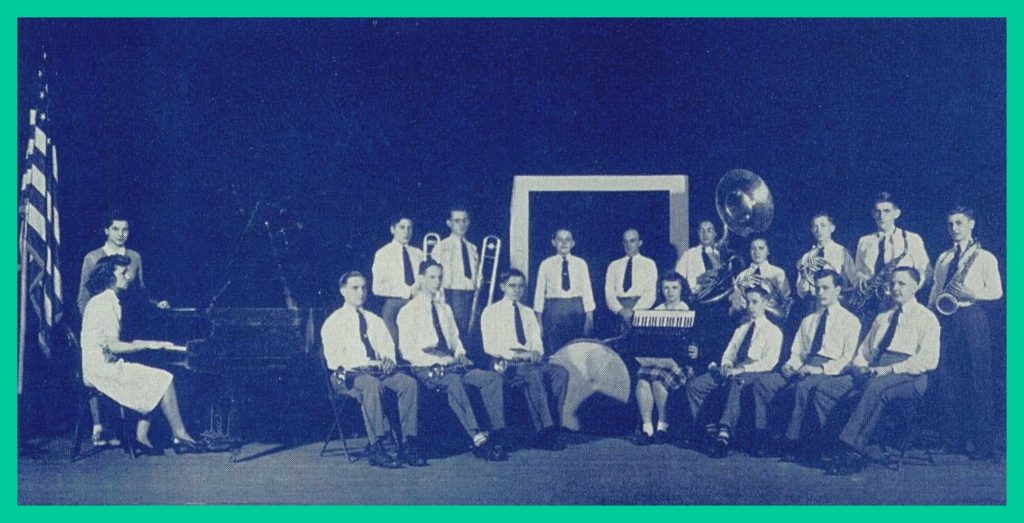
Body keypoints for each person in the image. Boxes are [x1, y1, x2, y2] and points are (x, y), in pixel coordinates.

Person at [822, 267, 940, 475]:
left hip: (911, 375)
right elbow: (864, 351)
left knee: (877, 388)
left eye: (902, 284)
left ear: (915, 287)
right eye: (892, 283)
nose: (895, 288)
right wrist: (860, 365)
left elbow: (928, 360)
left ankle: (851, 451)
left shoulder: (927, 318)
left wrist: (891, 369)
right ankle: (827, 444)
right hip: (877, 369)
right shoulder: (882, 318)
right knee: (828, 388)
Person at [79, 255, 200, 456]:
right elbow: (113, 346)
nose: (128, 277)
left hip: (98, 366)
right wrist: (147, 345)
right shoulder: (106, 303)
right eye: (123, 273)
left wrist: (147, 345)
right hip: (101, 370)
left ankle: (141, 437)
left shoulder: (100, 300)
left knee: (152, 377)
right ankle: (180, 434)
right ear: (110, 277)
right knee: (165, 379)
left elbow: (107, 344)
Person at [397, 259, 507, 461]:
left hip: (452, 364)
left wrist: (459, 354)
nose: (437, 282)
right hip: (427, 368)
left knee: (491, 379)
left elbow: (455, 340)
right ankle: (477, 438)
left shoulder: (444, 309)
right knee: (454, 382)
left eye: (440, 277)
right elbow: (407, 352)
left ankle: (496, 434)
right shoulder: (408, 311)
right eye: (432, 277)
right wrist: (438, 360)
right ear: (421, 279)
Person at [77, 213, 172, 448]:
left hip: (128, 323)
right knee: (118, 369)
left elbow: (140, 290)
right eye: (116, 229)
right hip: (105, 330)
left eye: (125, 229)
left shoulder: (134, 257)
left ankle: (136, 432)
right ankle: (100, 425)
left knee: (144, 368)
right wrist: (96, 336)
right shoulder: (93, 258)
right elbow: (84, 297)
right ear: (106, 230)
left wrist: (156, 304)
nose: (121, 234)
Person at [321, 271, 425, 468]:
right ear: (343, 291)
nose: (360, 292)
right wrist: (360, 367)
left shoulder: (375, 320)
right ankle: (377, 445)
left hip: (376, 371)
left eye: (363, 288)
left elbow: (387, 348)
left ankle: (408, 444)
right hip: (347, 375)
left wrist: (388, 360)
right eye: (354, 288)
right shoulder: (333, 322)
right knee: (372, 385)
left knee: (408, 383)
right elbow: (334, 361)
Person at [754, 269, 861, 461]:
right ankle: (764, 437)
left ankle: (792, 441)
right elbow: (798, 353)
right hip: (804, 367)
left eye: (826, 288)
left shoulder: (850, 321)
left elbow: (847, 359)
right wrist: (790, 366)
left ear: (838, 290)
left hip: (831, 370)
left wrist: (819, 369)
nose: (820, 293)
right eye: (817, 288)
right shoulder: (808, 321)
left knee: (802, 387)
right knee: (765, 383)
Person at [927, 207, 1003, 460]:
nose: (954, 228)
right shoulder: (944, 257)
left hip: (972, 317)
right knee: (948, 379)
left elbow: (996, 292)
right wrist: (930, 310)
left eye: (959, 223)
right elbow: (937, 287)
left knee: (978, 381)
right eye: (950, 224)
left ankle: (982, 445)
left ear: (971, 224)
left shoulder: (984, 257)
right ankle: (953, 441)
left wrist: (972, 294)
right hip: (946, 318)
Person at [686, 285, 783, 458]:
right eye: (748, 302)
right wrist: (726, 364)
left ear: (765, 303)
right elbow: (730, 352)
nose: (750, 307)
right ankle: (708, 431)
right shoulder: (742, 328)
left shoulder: (773, 331)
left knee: (736, 382)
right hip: (733, 369)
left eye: (755, 302)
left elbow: (769, 362)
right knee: (695, 386)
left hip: (753, 372)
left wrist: (742, 369)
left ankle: (724, 435)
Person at [480, 269, 569, 450]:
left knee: (561, 373)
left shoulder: (528, 312)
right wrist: (517, 355)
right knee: (533, 374)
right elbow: (489, 346)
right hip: (505, 363)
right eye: (512, 286)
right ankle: (544, 431)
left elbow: (537, 341)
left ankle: (555, 423)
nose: (516, 290)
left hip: (530, 361)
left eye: (520, 286)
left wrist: (537, 352)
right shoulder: (491, 312)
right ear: (502, 287)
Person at [631, 271, 693, 445]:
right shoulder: (655, 312)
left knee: (658, 382)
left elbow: (696, 342)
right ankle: (647, 429)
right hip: (656, 362)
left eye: (674, 288)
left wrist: (696, 350)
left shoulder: (688, 311)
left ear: (682, 289)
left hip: (680, 364)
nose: (670, 292)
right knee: (642, 381)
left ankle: (662, 427)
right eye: (666, 288)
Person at [851, 192, 931, 323]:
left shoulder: (912, 239)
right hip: (870, 303)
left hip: (899, 301)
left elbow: (926, 273)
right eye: (878, 211)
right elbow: (857, 272)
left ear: (896, 213)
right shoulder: (864, 241)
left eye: (886, 211)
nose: (881, 216)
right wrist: (859, 278)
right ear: (873, 214)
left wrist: (909, 288)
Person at [533, 229, 595, 353]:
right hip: (553, 311)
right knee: (554, 349)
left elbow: (587, 291)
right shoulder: (546, 264)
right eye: (560, 239)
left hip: (576, 310)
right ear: (553, 242)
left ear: (573, 243)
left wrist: (589, 318)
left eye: (568, 239)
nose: (564, 243)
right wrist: (538, 321)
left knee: (576, 348)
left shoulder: (581, 264)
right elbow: (539, 294)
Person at [371, 215, 425, 344]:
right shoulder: (383, 253)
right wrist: (408, 291)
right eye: (402, 227)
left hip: (418, 303)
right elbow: (377, 287)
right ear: (392, 229)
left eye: (409, 228)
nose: (406, 232)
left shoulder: (419, 253)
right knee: (396, 344)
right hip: (395, 305)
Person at [794, 213, 855, 316]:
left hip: (837, 303)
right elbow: (801, 293)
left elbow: (853, 281)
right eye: (815, 227)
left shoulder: (842, 252)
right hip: (813, 305)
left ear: (832, 228)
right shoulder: (806, 257)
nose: (819, 230)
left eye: (823, 226)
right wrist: (806, 272)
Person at [431, 206, 478, 334]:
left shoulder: (472, 248)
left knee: (469, 332)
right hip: (451, 294)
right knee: (454, 332)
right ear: (449, 223)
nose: (461, 224)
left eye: (464, 220)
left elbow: (476, 274)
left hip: (471, 294)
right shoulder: (442, 246)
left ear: (468, 222)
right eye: (457, 221)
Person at [604, 228, 658, 334]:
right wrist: (620, 310)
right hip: (618, 312)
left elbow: (650, 293)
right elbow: (609, 293)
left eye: (632, 241)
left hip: (640, 310)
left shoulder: (649, 264)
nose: (628, 245)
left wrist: (634, 312)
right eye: (626, 241)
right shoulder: (614, 265)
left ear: (640, 242)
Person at [728, 237, 792, 322]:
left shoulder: (778, 272)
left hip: (772, 319)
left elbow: (785, 298)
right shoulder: (742, 276)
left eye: (761, 248)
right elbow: (735, 305)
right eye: (753, 248)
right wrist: (743, 286)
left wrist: (771, 287)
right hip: (748, 319)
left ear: (768, 251)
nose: (757, 252)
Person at [674, 220, 722, 297]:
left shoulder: (721, 254)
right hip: (696, 300)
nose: (705, 234)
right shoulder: (688, 255)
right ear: (698, 233)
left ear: (715, 233)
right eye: (702, 231)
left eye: (709, 230)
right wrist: (697, 280)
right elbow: (676, 281)